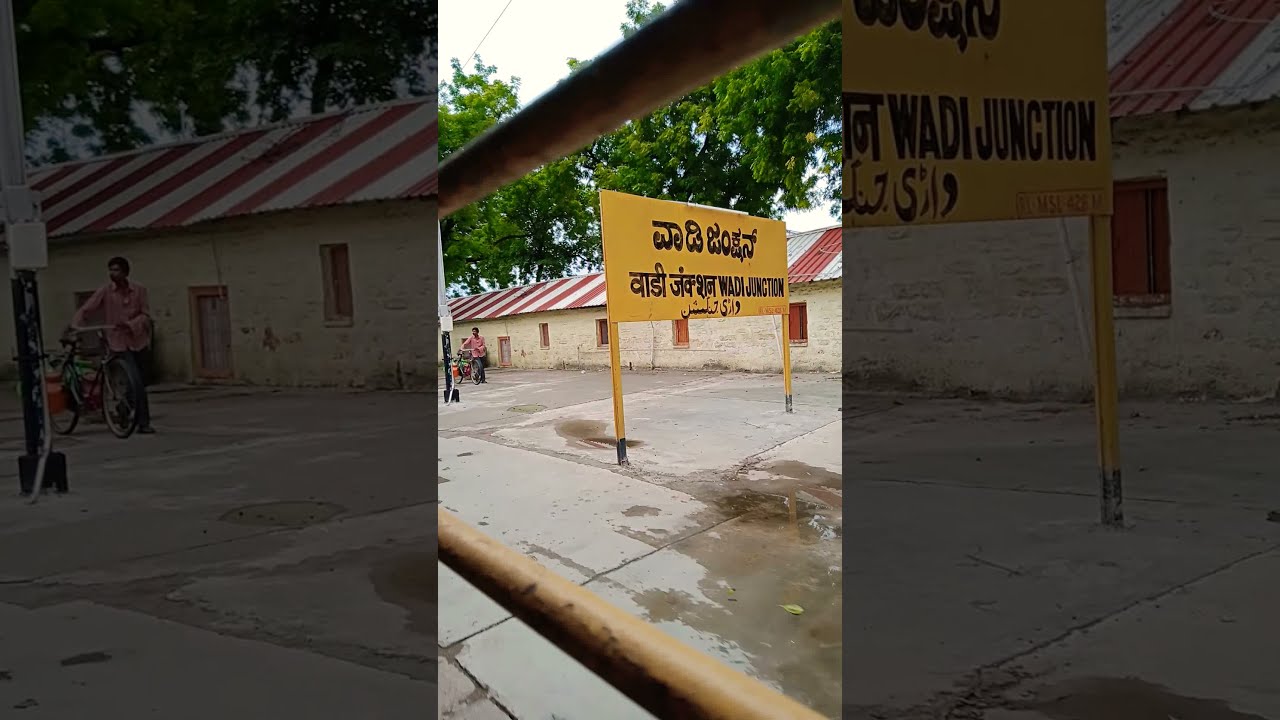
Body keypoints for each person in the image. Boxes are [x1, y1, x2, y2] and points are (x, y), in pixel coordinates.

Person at [70, 256, 154, 433]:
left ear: (125, 272)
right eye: (111, 270)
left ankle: (123, 409)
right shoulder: (105, 291)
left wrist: (131, 325)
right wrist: (76, 324)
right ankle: (143, 423)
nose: (113, 274)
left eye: (116, 270)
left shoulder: (139, 290)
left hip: (138, 340)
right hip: (118, 342)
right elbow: (87, 308)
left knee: (140, 382)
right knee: (135, 381)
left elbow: (146, 315)